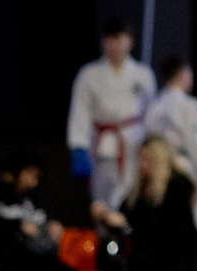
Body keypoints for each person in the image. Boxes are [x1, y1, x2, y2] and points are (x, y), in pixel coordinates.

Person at [94, 137, 197, 271]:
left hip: (177, 252)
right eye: (140, 159)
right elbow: (126, 216)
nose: (142, 164)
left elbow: (170, 229)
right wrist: (106, 215)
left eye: (147, 159)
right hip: (150, 253)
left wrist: (128, 224)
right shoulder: (141, 189)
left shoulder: (178, 185)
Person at [68, 19, 156, 214]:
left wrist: (152, 148)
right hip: (103, 146)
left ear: (130, 42)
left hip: (134, 144)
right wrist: (78, 147)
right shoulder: (89, 74)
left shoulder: (142, 74)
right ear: (102, 42)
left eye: (119, 39)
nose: (114, 45)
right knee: (102, 202)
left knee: (133, 199)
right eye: (109, 39)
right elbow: (80, 112)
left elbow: (150, 115)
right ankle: (105, 241)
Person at [0, 154, 77, 271]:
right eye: (31, 174)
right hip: (6, 255)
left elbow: (40, 219)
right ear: (18, 171)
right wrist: (17, 227)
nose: (34, 182)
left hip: (36, 254)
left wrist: (51, 226)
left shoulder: (30, 196)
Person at [142, 57, 197, 235]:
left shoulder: (155, 105)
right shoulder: (189, 105)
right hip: (185, 168)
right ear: (183, 74)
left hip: (159, 170)